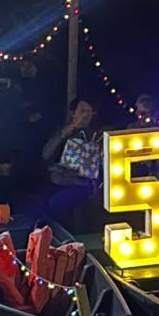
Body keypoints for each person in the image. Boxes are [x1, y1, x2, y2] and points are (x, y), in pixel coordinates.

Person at [41, 97, 102, 227]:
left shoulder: (95, 137)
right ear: (73, 113)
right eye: (82, 111)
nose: (86, 115)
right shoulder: (62, 132)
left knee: (58, 203)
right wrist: (62, 135)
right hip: (57, 180)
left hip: (80, 184)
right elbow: (46, 154)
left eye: (89, 112)